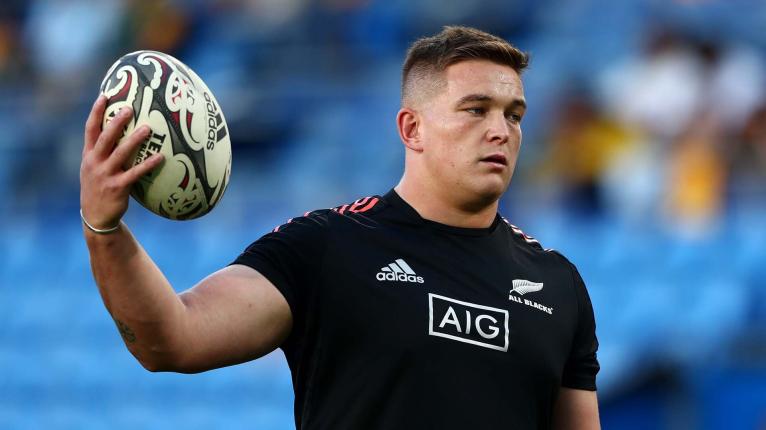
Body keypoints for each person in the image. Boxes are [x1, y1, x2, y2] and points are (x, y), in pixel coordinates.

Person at [80, 26, 600, 429]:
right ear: (412, 128)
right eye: (476, 109)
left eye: (514, 115)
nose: (500, 130)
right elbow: (173, 338)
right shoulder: (327, 246)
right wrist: (104, 228)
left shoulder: (556, 284)